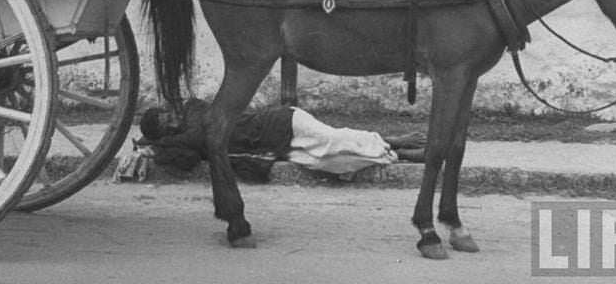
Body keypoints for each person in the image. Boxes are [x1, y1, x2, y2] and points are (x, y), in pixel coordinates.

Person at [138, 99, 425, 179]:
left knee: (335, 140)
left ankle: (393, 140)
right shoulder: (183, 140)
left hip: (283, 122)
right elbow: (188, 159)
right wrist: (157, 148)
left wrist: (159, 143)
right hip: (275, 148)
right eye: (167, 126)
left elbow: (200, 135)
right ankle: (397, 155)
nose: (172, 120)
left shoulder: (194, 109)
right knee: (333, 164)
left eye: (167, 115)